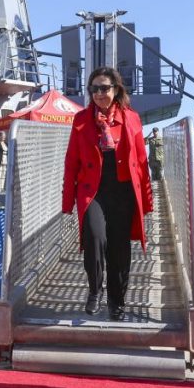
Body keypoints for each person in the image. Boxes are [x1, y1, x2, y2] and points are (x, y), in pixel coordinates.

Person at [62, 67, 154, 321]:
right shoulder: (81, 119)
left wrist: (147, 199)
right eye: (94, 89)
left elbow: (142, 161)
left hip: (123, 192)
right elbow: (71, 162)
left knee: (119, 249)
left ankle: (117, 301)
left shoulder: (132, 118)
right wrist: (67, 200)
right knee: (94, 237)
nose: (100, 94)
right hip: (93, 192)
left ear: (116, 89)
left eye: (105, 88)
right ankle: (95, 290)